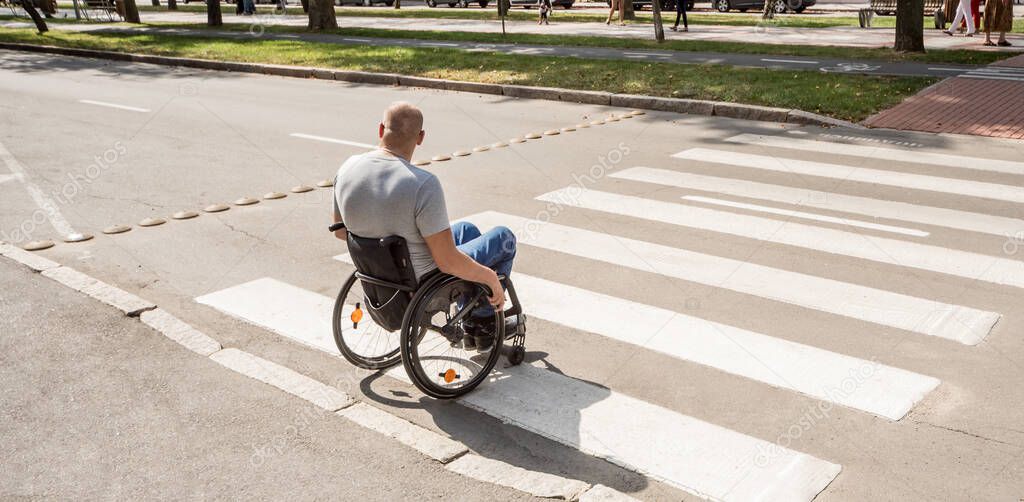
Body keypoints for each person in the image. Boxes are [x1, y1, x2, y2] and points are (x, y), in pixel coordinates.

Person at [332, 102, 517, 347]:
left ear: (380, 130)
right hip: (421, 284)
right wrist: (491, 278)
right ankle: (482, 321)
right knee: (504, 237)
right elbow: (448, 261)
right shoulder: (422, 184)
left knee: (467, 231)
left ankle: (473, 318)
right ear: (420, 138)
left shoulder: (347, 168)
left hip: (381, 280)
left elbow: (341, 231)